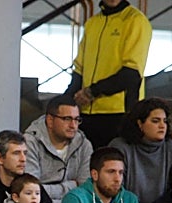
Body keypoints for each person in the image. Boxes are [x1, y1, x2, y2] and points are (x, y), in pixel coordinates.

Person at [65, 0, 152, 146]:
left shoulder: (136, 21)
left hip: (119, 114)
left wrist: (92, 91)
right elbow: (79, 69)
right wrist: (64, 103)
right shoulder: (92, 23)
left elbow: (131, 74)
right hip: (86, 114)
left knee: (113, 167)